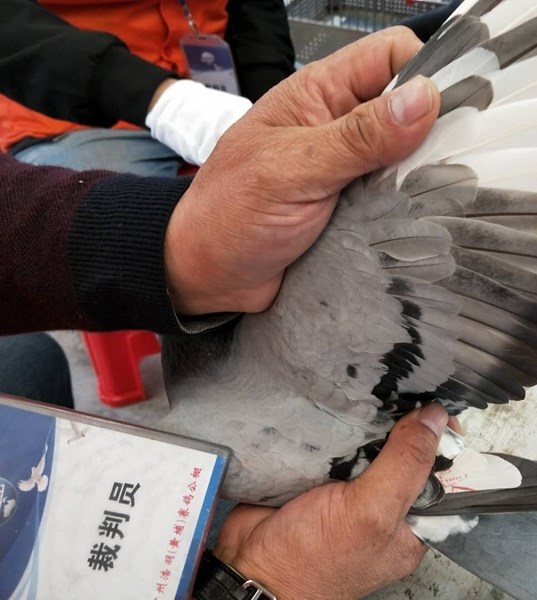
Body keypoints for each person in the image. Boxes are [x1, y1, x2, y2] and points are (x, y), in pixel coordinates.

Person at [1, 27, 449, 598]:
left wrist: (174, 244)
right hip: (81, 115)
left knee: (28, 359)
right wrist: (256, 585)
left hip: (198, 99)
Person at [0, 0, 295, 174]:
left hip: (228, 96)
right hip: (75, 118)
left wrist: (269, 89)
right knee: (116, 231)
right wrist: (164, 101)